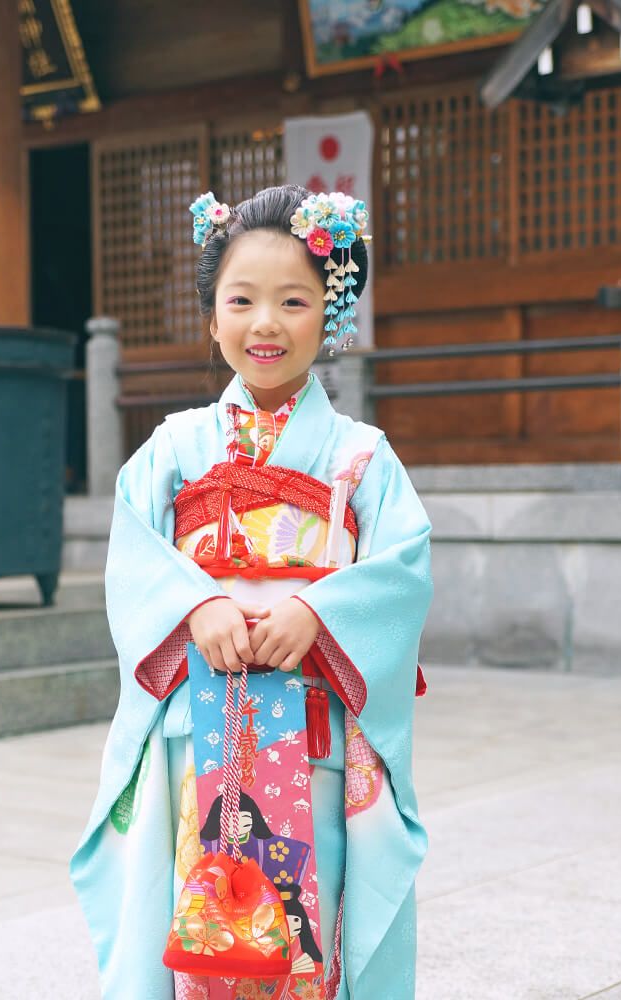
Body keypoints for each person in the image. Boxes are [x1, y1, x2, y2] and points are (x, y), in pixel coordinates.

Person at [70, 184, 433, 1000]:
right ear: (212, 317)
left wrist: (318, 611)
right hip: (196, 726)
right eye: (242, 300)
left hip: (313, 731)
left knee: (311, 919)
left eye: (294, 301)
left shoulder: (363, 457)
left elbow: (404, 564)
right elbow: (133, 550)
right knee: (194, 913)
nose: (265, 323)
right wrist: (196, 605)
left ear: (330, 316)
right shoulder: (174, 447)